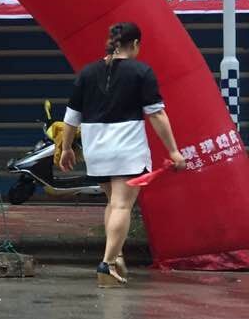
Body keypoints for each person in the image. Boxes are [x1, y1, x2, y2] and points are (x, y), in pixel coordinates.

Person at [58, 21, 186, 287]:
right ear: (135, 44)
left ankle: (116, 258)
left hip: (96, 148)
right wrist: (174, 151)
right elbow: (156, 114)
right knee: (121, 205)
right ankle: (106, 264)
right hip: (127, 148)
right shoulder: (141, 72)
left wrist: (67, 148)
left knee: (112, 203)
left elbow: (71, 117)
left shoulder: (87, 72)